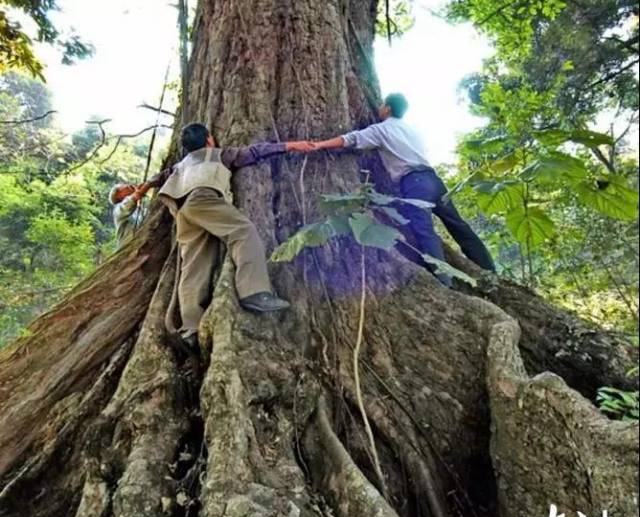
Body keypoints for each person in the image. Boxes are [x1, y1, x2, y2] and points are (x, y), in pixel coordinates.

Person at [145, 123, 314, 345]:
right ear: (209, 140)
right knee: (243, 232)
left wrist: (143, 187)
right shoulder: (218, 154)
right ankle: (254, 292)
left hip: (182, 211)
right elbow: (255, 152)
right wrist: (291, 145)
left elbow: (160, 176)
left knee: (194, 265)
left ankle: (190, 328)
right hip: (203, 199)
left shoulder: (180, 165)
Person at [308, 93, 496, 286]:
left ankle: (445, 281)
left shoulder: (382, 130)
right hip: (435, 181)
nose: (379, 107)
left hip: (415, 184)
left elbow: (351, 139)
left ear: (388, 108)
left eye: (382, 105)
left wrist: (320, 144)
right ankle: (489, 271)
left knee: (424, 232)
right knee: (458, 226)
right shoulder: (412, 130)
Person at [109, 182, 152, 248]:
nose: (128, 186)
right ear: (119, 195)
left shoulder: (138, 209)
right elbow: (128, 203)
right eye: (125, 187)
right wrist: (139, 192)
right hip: (127, 249)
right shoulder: (118, 210)